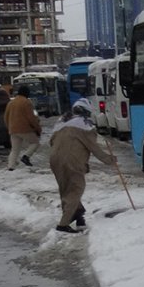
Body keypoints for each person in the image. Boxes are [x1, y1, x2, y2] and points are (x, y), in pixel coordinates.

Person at [48, 99, 116, 234]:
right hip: (72, 160)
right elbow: (94, 148)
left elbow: (51, 142)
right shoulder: (85, 125)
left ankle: (79, 216)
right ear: (86, 112)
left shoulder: (61, 122)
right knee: (76, 189)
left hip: (54, 159)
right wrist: (110, 160)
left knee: (66, 188)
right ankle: (63, 224)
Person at [5, 84, 42, 170]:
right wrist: (37, 128)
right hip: (25, 129)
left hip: (13, 129)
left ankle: (11, 167)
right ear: (26, 93)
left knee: (14, 150)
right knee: (35, 143)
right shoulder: (26, 102)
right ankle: (26, 157)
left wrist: (9, 126)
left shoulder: (11, 102)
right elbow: (31, 118)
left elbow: (6, 117)